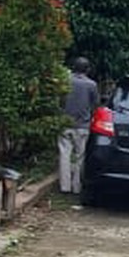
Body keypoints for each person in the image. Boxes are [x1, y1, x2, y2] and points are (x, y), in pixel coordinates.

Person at [58, 57, 99, 195]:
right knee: (80, 156)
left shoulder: (65, 81)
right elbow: (95, 105)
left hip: (65, 123)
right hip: (83, 126)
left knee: (65, 154)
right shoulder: (92, 85)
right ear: (87, 70)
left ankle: (65, 187)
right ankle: (76, 187)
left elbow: (59, 100)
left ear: (73, 68)